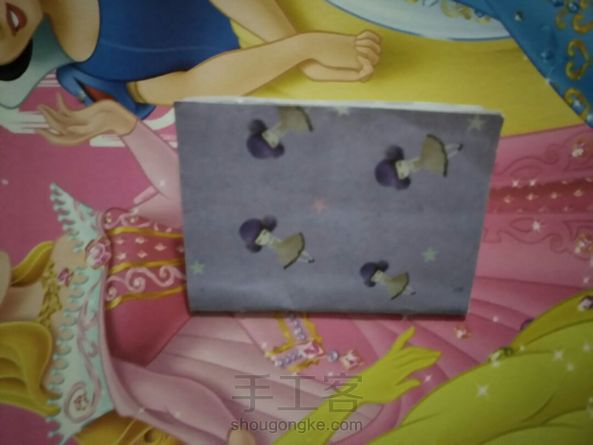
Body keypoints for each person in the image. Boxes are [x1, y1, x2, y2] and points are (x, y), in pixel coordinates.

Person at [1, 96, 440, 445]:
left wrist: (127, 127)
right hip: (257, 352)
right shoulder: (62, 364)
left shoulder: (65, 244)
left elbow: (185, 200)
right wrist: (229, 431)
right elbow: (162, 395)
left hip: (280, 264)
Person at [0, 0, 381, 121]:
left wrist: (298, 47)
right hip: (278, 76)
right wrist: (299, 52)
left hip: (297, 17)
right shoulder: (87, 77)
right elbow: (194, 86)